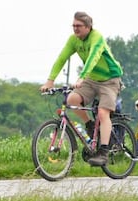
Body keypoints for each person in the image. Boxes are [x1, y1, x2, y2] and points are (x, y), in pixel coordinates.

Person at [40, 11, 124, 166]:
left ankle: (104, 151)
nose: (75, 29)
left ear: (88, 27)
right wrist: (50, 81)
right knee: (71, 99)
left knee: (102, 112)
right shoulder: (73, 40)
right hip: (92, 79)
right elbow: (62, 58)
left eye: (78, 26)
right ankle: (90, 125)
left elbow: (93, 57)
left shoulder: (96, 37)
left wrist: (82, 77)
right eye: (73, 26)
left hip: (110, 79)